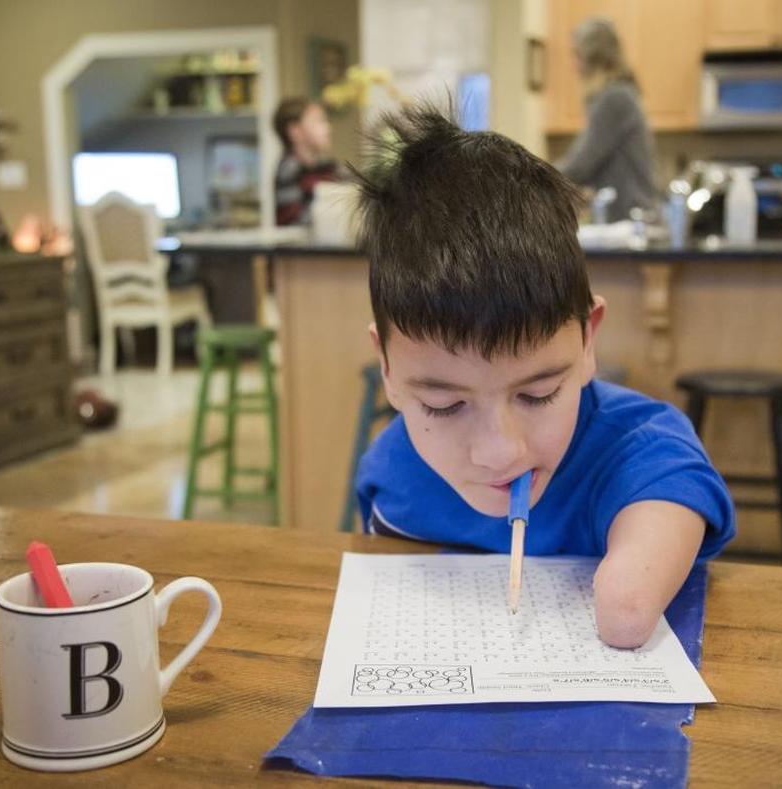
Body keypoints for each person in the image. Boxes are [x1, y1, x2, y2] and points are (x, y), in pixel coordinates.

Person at [353, 105, 734, 649]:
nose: (499, 453)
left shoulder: (639, 450)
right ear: (387, 368)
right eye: (443, 405)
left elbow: (628, 614)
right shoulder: (390, 473)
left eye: (538, 393)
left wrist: (627, 590)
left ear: (586, 341)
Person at [555, 17, 656, 223]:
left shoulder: (614, 99)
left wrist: (533, 178)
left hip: (631, 221)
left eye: (576, 55)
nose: (573, 65)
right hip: (628, 219)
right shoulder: (617, 95)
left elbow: (580, 165)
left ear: (592, 58)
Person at [272, 97, 338, 225]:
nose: (328, 128)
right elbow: (293, 223)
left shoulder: (330, 168)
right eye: (319, 121)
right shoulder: (289, 170)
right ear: (295, 131)